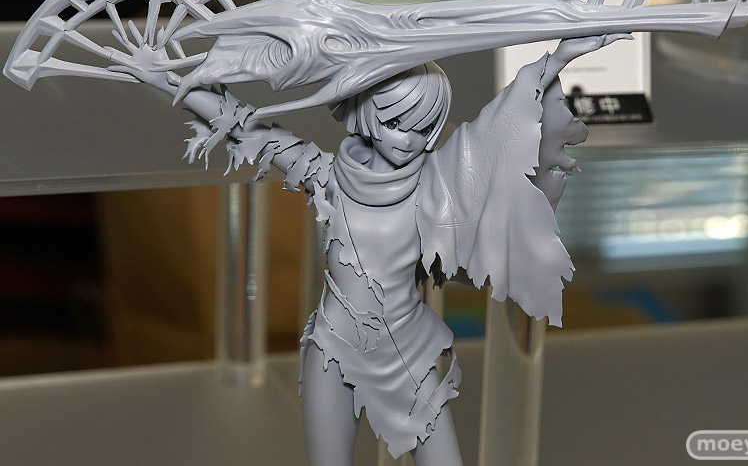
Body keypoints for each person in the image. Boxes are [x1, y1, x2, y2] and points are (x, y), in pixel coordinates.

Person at [111, 33, 628, 466]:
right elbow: (250, 128)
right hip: (333, 351)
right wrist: (165, 78)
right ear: (365, 114)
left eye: (422, 127)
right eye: (395, 122)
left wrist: (558, 57)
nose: (407, 139)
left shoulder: (436, 182)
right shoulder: (329, 177)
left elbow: (497, 124)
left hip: (408, 354)